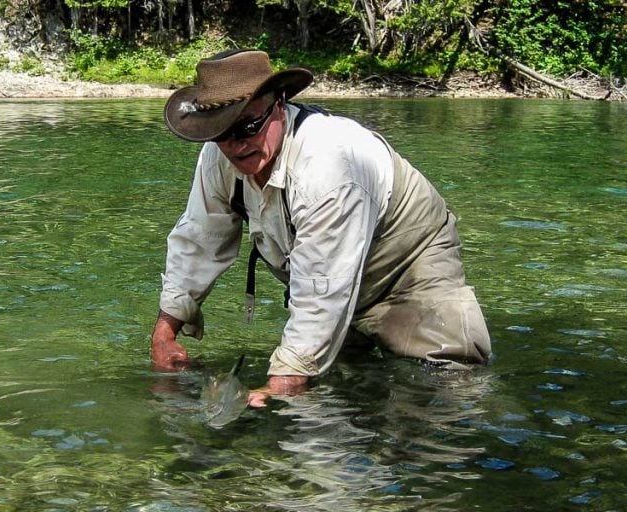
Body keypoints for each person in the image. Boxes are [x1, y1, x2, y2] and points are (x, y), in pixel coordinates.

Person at [150, 49, 492, 407]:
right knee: (345, 389)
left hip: (408, 267)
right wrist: (164, 333)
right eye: (222, 132)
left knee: (448, 392)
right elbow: (198, 241)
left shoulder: (329, 166)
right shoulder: (218, 156)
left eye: (249, 126)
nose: (237, 144)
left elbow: (320, 293)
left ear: (279, 104)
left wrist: (277, 388)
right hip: (327, 272)